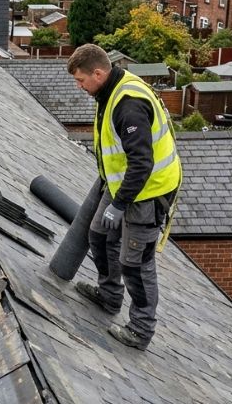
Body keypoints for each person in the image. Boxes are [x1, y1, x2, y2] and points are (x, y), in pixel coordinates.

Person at [67, 44, 181, 350]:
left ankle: (141, 331)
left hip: (149, 192)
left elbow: (142, 162)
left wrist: (119, 204)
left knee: (136, 264)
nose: (80, 88)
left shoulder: (127, 103)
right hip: (123, 186)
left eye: (81, 81)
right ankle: (109, 295)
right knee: (99, 235)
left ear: (99, 73)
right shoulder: (109, 91)